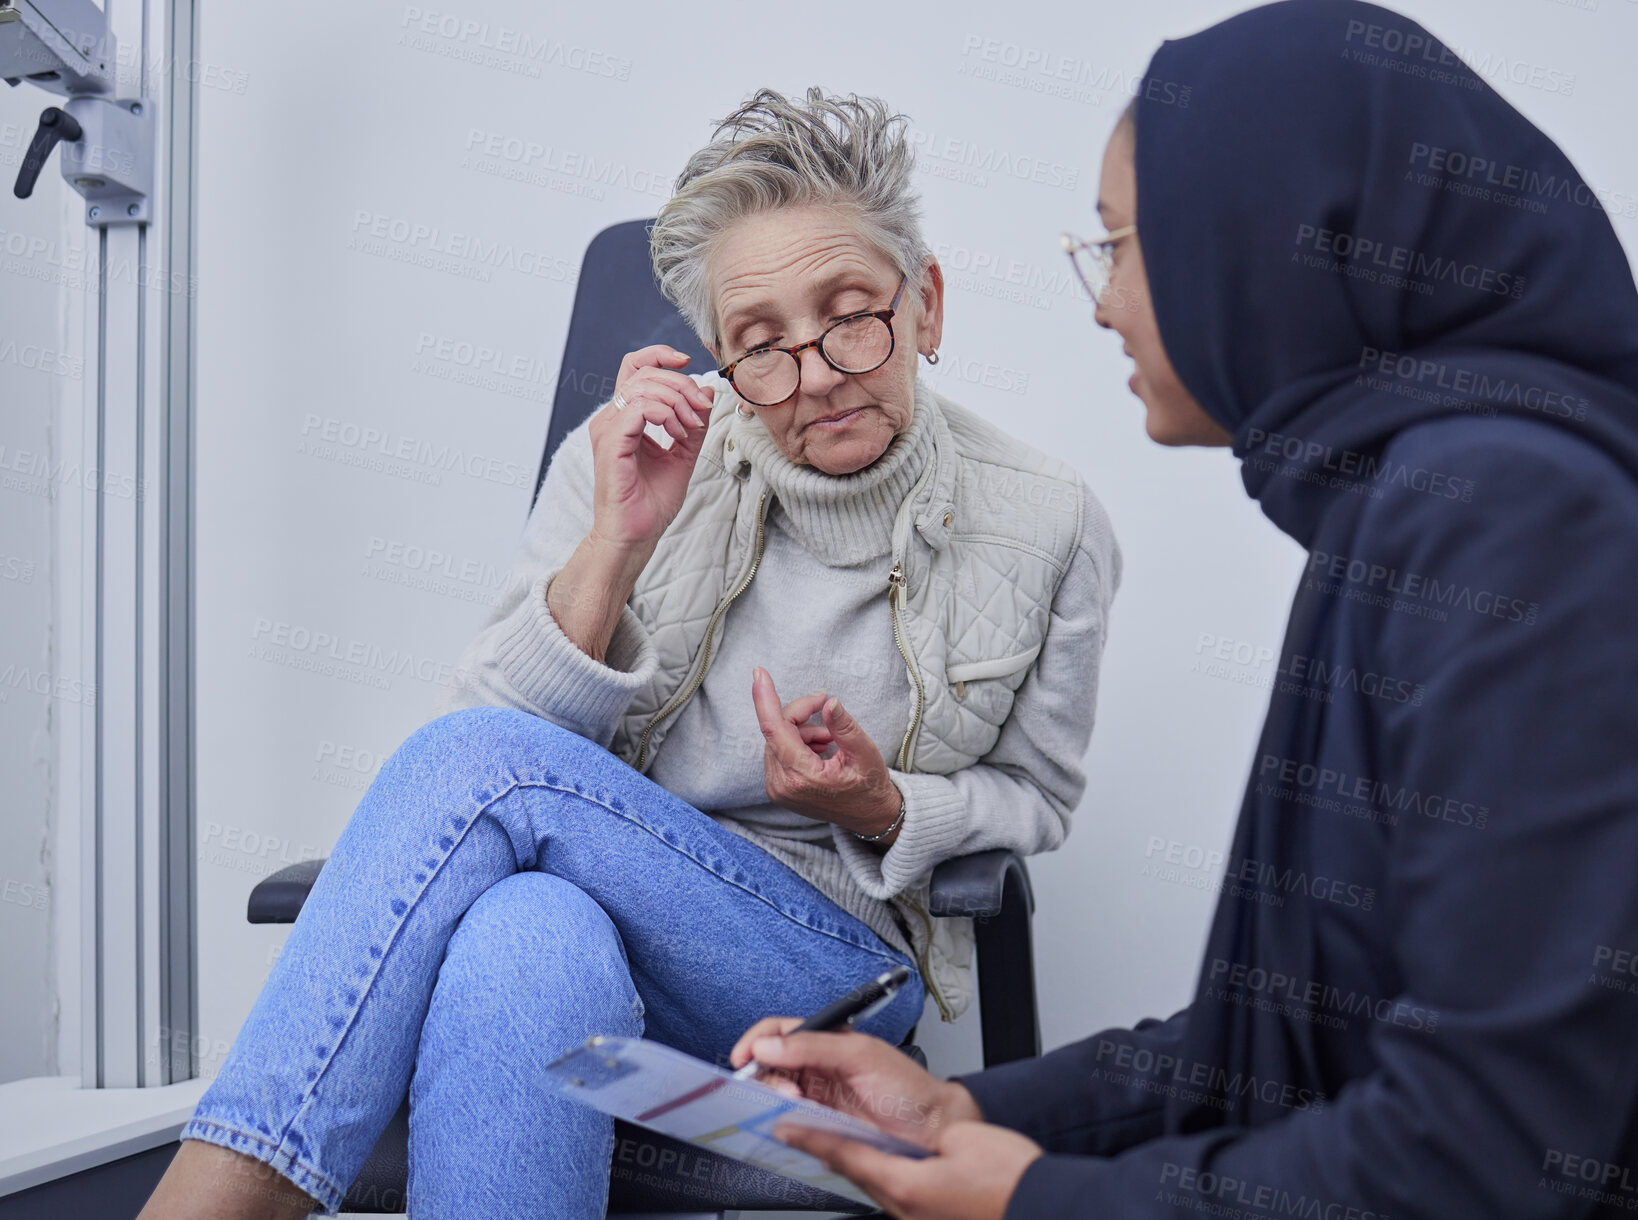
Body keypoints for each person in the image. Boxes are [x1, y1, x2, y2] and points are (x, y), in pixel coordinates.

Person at [137, 87, 1120, 1218]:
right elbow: (486, 731)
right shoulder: (633, 462)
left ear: (928, 301)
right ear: (717, 352)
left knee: (478, 768)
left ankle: (220, 1192)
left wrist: (886, 803)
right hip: (604, 946)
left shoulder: (1049, 519)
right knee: (524, 934)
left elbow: (1034, 796)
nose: (812, 377)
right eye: (760, 346)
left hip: (830, 969)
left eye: (852, 315)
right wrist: (616, 542)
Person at [730, 4, 1638, 1218]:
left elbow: (1481, 1152)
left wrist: (1039, 1200)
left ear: (1260, 237)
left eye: (1119, 243)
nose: (1103, 301)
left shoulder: (1510, 518)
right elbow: (1276, 1046)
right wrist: (971, 1113)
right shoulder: (1407, 504)